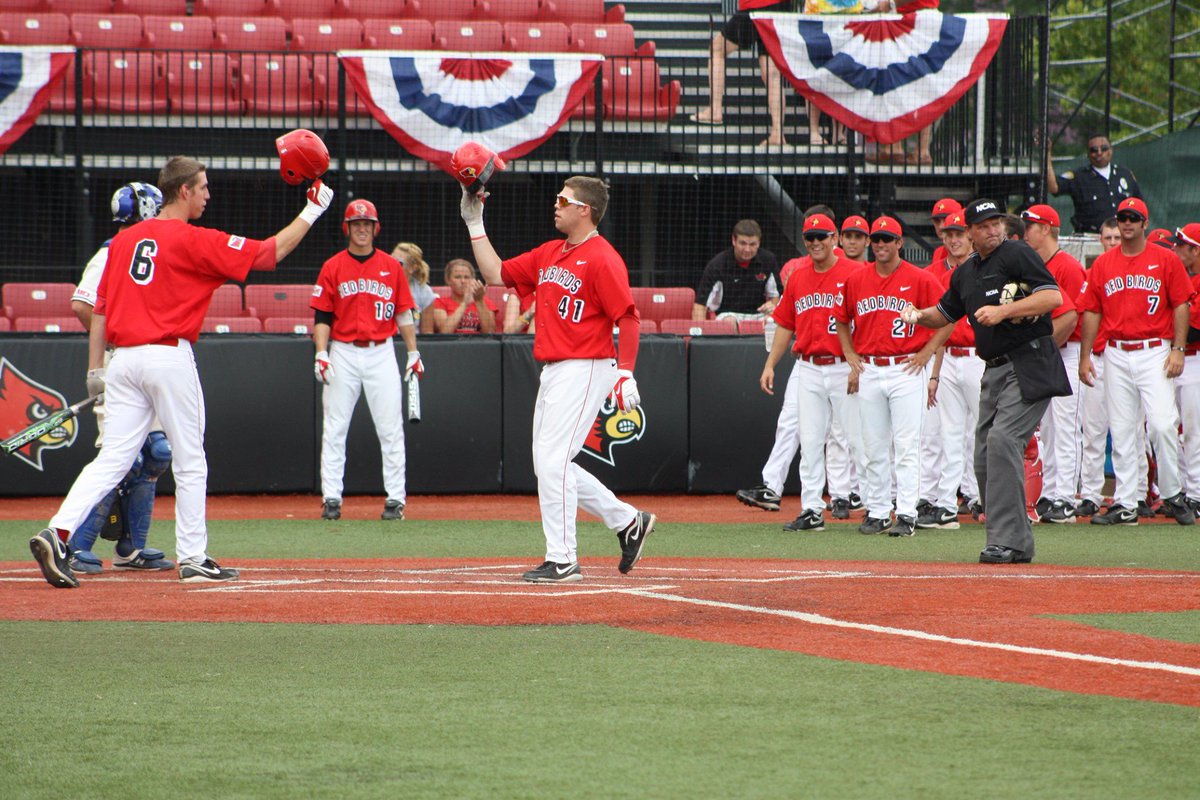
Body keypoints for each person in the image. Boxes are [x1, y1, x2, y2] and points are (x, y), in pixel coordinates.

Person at [29, 155, 334, 588]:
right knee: (190, 459)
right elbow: (270, 253)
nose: (209, 195)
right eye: (204, 187)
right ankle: (193, 557)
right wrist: (314, 208)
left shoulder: (122, 242)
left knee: (112, 459)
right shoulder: (193, 239)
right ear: (184, 190)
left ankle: (56, 532)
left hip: (123, 359)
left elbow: (99, 308)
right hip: (167, 353)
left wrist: (96, 367)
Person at [459, 176, 655, 582]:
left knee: (552, 462)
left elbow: (628, 317)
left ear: (585, 209)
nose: (556, 205)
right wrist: (475, 222)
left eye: (564, 200)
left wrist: (626, 372)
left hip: (586, 366)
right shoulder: (551, 252)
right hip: (554, 369)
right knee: (550, 465)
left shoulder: (602, 257)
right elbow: (496, 273)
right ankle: (628, 521)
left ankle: (563, 558)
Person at [901, 198, 1066, 564]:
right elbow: (942, 314)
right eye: (984, 225)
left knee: (1003, 440)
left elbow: (1052, 296)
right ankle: (1015, 541)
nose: (993, 229)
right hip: (994, 368)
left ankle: (1006, 540)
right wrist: (914, 315)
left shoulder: (1017, 254)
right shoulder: (966, 273)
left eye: (996, 223)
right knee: (983, 456)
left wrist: (1004, 310)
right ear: (971, 233)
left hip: (1030, 361)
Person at [65, 181, 175, 575]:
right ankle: (76, 546)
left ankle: (132, 549)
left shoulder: (156, 247)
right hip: (119, 361)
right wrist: (109, 346)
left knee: (157, 453)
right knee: (121, 459)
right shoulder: (111, 251)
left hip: (150, 358)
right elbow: (83, 304)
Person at [1076, 197, 1195, 527]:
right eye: (1122, 217)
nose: (1127, 223)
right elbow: (1092, 309)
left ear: (1145, 222)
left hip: (1155, 349)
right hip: (1115, 351)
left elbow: (1181, 303)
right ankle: (1126, 503)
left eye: (1133, 218)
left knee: (1161, 423)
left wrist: (1178, 349)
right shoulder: (1103, 264)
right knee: (1124, 428)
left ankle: (1172, 493)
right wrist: (1086, 356)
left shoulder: (1165, 259)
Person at [833, 215, 949, 537]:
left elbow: (949, 315)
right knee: (874, 446)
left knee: (907, 445)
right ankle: (880, 510)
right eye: (877, 239)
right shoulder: (857, 280)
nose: (881, 245)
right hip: (870, 368)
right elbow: (842, 319)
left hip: (905, 368)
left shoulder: (920, 278)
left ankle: (908, 513)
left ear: (900, 243)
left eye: (887, 239)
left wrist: (927, 352)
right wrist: (850, 354)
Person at [312, 199, 422, 522]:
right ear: (347, 228)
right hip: (343, 350)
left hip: (381, 351)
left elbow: (403, 313)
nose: (362, 229)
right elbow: (322, 314)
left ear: (376, 228)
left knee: (390, 429)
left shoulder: (392, 267)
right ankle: (331, 498)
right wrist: (321, 351)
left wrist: (413, 352)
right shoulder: (332, 266)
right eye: (356, 224)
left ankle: (395, 500)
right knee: (334, 427)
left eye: (367, 224)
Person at [758, 213, 865, 531]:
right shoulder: (799, 277)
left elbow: (868, 320)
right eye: (810, 238)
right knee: (810, 440)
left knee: (858, 440)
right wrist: (770, 365)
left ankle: (876, 507)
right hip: (808, 367)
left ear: (836, 239)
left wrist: (859, 362)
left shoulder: (855, 272)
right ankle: (812, 509)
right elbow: (785, 324)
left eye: (822, 236)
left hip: (844, 365)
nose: (816, 243)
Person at [1021, 204, 1086, 523]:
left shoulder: (1068, 267)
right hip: (1046, 352)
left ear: (1046, 228)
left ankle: (1065, 498)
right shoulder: (1035, 264)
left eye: (1030, 226)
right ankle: (1050, 493)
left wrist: (1042, 349)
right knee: (1047, 426)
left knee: (1065, 425)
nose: (1025, 231)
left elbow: (1073, 318)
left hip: (1066, 351)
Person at [918, 211, 980, 529]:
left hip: (980, 357)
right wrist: (935, 373)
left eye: (959, 233)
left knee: (985, 433)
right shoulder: (943, 277)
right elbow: (941, 329)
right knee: (951, 434)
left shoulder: (986, 269)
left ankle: (986, 497)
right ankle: (946, 504)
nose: (954, 239)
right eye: (949, 233)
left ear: (971, 236)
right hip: (952, 358)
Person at [690, 0, 791, 148]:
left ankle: (715, 109)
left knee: (717, 49)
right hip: (780, 7)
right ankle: (777, 132)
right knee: (772, 73)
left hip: (755, 7)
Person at [1047, 133, 1142, 234]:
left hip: (1123, 237)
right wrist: (1047, 153)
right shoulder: (1079, 176)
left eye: (1104, 148)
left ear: (1111, 150)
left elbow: (1139, 205)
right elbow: (1053, 187)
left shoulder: (1125, 174)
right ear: (1088, 154)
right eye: (1094, 150)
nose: (1099, 153)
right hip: (1090, 237)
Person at [694, 219, 780, 321]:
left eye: (752, 244)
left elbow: (776, 296)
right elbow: (700, 306)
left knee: (775, 320)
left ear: (758, 243)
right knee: (729, 321)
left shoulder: (768, 260)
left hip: (759, 315)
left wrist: (772, 304)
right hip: (727, 315)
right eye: (743, 243)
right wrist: (699, 335)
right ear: (734, 241)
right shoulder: (717, 265)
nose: (747, 249)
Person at [1170, 222, 1200, 511]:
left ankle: (1197, 494)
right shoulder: (1186, 279)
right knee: (1174, 428)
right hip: (1178, 360)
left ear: (1195, 249)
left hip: (1194, 360)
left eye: (1181, 245)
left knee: (1194, 431)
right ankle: (1181, 491)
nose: (1176, 249)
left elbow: (1192, 330)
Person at [431, 258, 498, 334]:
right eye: (457, 277)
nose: (463, 281)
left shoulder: (485, 302)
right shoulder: (439, 302)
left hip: (478, 343)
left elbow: (490, 332)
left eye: (466, 277)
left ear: (473, 280)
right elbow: (445, 332)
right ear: (448, 280)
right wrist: (465, 304)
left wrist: (479, 301)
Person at [391, 241, 437, 334]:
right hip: (384, 342)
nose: (392, 265)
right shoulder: (378, 284)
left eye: (399, 263)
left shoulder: (424, 291)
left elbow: (427, 333)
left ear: (412, 268)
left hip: (411, 343)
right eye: (390, 260)